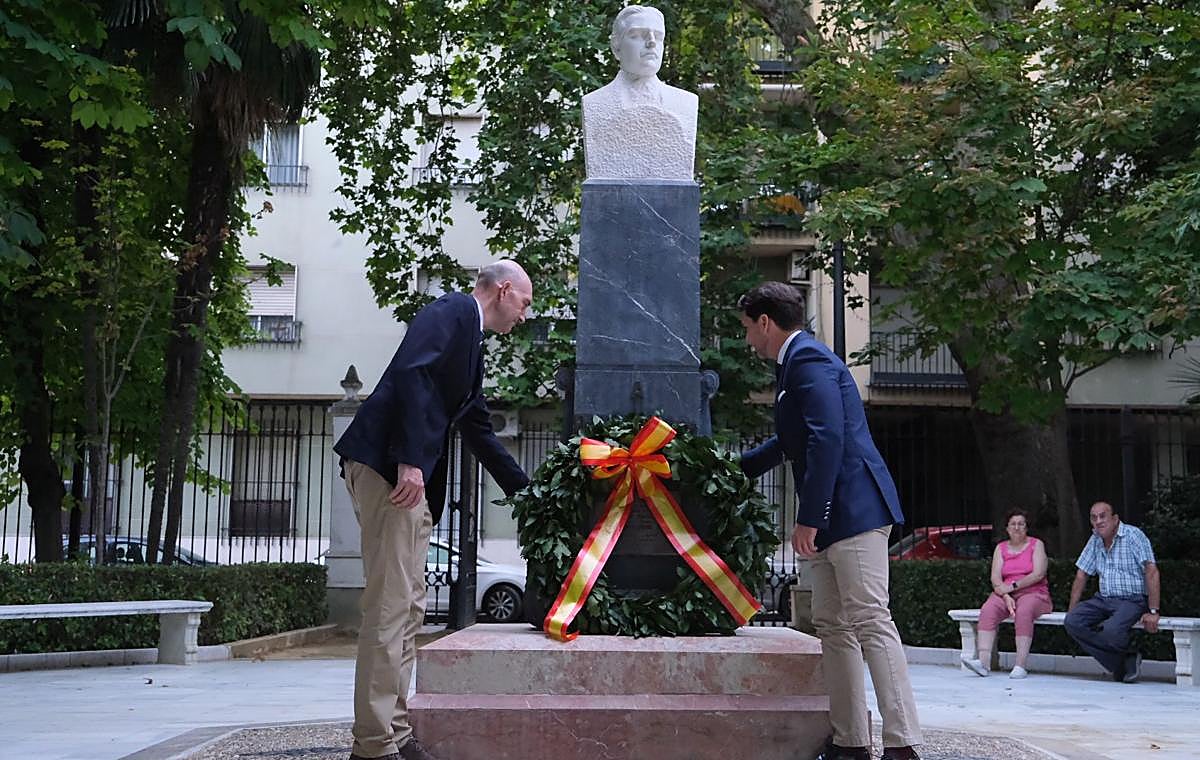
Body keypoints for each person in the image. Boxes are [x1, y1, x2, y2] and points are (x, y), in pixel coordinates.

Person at [333, 260, 534, 760]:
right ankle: (373, 745)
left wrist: (529, 494)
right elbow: (411, 372)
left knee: (409, 608)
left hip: (405, 478)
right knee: (390, 607)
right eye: (526, 303)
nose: (526, 315)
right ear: (503, 291)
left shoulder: (471, 344)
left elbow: (480, 431)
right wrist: (409, 458)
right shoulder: (451, 310)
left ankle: (394, 731)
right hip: (389, 471)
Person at [737, 282, 922, 760]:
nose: (746, 341)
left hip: (854, 513)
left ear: (765, 322)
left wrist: (809, 518)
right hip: (831, 518)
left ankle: (903, 745)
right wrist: (729, 471)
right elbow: (789, 443)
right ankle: (850, 741)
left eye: (746, 329)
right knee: (832, 627)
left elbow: (827, 439)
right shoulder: (793, 366)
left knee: (871, 621)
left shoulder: (810, 361)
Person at [581, 5, 697, 180]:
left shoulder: (685, 103)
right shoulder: (595, 103)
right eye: (638, 35)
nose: (651, 42)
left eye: (658, 37)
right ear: (616, 47)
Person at [1064, 501, 1160, 684]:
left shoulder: (1133, 536)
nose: (1098, 521)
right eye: (1093, 517)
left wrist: (1153, 611)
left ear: (1115, 519)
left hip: (1131, 600)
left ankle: (1122, 663)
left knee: (1111, 630)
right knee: (1072, 621)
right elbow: (1081, 574)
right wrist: (1072, 608)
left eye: (1103, 516)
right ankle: (1124, 660)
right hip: (1103, 599)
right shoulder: (1095, 540)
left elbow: (1151, 570)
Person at [961, 510, 1053, 679]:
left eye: (1021, 524)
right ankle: (983, 662)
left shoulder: (1036, 545)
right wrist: (1005, 595)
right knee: (988, 609)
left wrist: (1011, 587)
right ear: (1007, 528)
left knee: (1024, 611)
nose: (1017, 527)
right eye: (1013, 524)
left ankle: (1020, 665)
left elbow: (1038, 574)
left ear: (1026, 528)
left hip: (1034, 592)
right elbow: (995, 578)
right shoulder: (1001, 548)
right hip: (1006, 594)